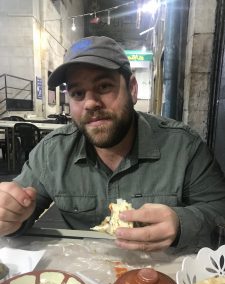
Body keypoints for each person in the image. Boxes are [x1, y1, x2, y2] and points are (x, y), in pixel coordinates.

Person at [0, 36, 225, 253]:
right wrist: (11, 215)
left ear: (132, 89)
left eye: (104, 86)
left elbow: (219, 211)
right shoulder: (51, 154)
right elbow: (19, 210)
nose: (90, 103)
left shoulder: (184, 147)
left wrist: (181, 223)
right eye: (78, 93)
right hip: (81, 279)